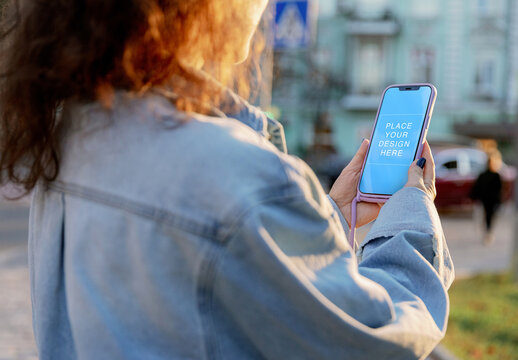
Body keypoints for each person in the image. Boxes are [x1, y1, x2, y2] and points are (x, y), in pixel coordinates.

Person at [0, 0, 454, 359]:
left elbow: (211, 282)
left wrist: (327, 215)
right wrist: (410, 218)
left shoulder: (70, 133)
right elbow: (373, 340)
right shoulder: (235, 179)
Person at [470, 151, 503, 245]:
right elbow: (477, 187)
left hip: (491, 200)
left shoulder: (495, 175)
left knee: (489, 216)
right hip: (486, 200)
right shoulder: (486, 175)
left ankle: (488, 232)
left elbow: (499, 189)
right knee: (488, 216)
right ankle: (487, 232)